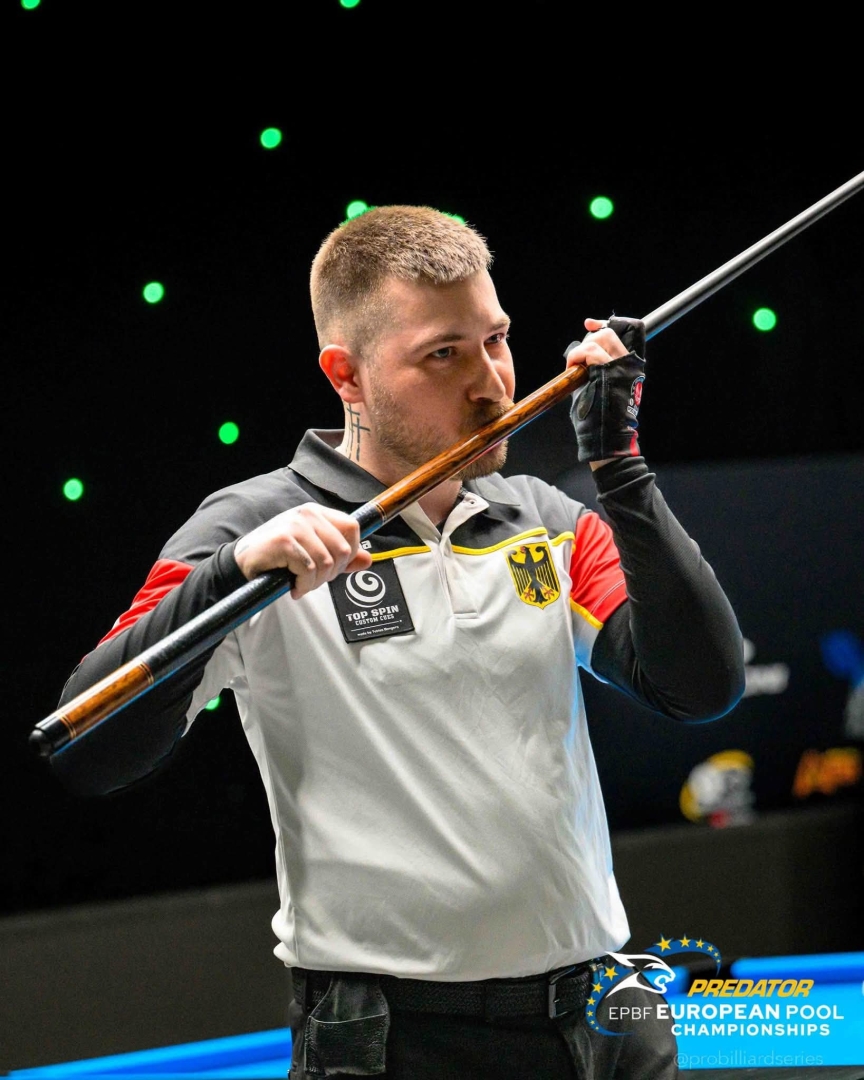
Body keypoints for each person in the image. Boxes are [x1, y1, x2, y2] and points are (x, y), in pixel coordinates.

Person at [51, 206, 745, 1079]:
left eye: (496, 340)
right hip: (388, 1040)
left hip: (604, 1019)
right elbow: (84, 745)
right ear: (346, 375)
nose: (492, 384)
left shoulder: (545, 519)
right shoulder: (249, 530)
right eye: (443, 355)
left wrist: (621, 466)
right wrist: (227, 577)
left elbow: (700, 687)